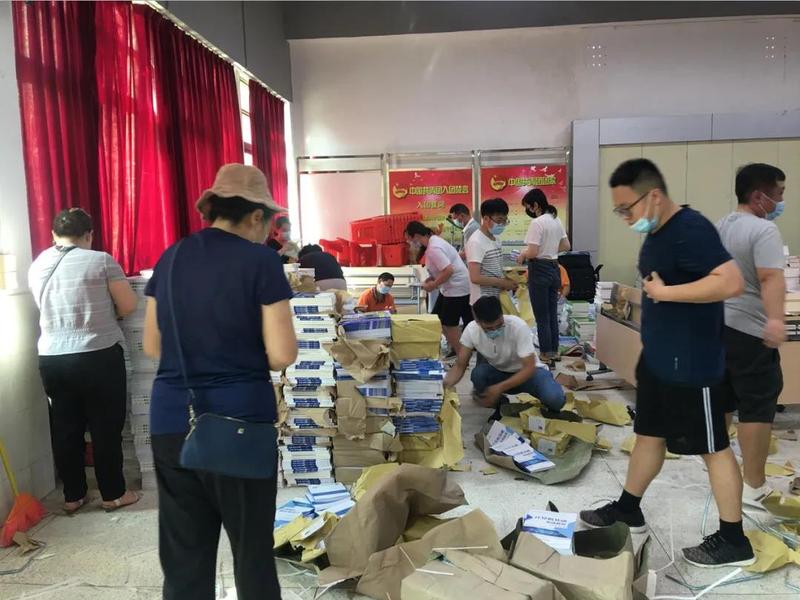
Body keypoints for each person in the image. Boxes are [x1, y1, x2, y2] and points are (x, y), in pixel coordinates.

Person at [580, 159, 753, 568]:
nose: (625, 218)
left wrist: (667, 294)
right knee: (648, 436)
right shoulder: (657, 232)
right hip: (660, 361)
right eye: (619, 211)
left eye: (627, 208)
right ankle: (628, 508)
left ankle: (734, 539)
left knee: (713, 448)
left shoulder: (691, 229)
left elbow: (730, 281)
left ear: (654, 196)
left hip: (693, 366)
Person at [142, 164, 298, 599]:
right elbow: (282, 354)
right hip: (239, 425)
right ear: (255, 216)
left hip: (172, 420)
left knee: (184, 558)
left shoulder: (170, 257)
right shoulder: (261, 261)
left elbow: (152, 344)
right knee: (251, 555)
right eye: (268, 222)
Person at [28, 208, 140, 513]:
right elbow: (128, 304)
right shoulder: (100, 260)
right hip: (97, 354)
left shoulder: (38, 265)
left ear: (54, 234)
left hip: (52, 357)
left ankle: (73, 496)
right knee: (105, 427)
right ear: (89, 234)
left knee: (66, 427)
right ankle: (113, 494)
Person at [717, 163, 787, 510]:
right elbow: (771, 278)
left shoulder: (721, 225)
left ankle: (723, 475)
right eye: (779, 193)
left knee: (724, 401)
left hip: (717, 326)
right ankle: (754, 486)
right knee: (757, 405)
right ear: (759, 196)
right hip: (749, 330)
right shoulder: (764, 230)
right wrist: (775, 320)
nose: (781, 201)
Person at [443, 296, 566, 420]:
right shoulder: (472, 330)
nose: (495, 330)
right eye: (489, 328)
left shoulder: (517, 326)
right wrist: (443, 386)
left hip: (530, 375)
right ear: (478, 322)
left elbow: (529, 368)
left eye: (499, 325)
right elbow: (460, 365)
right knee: (478, 375)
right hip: (500, 373)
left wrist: (499, 388)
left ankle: (548, 410)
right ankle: (501, 405)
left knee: (555, 399)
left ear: (502, 316)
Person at [516, 189, 570, 363]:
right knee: (552, 313)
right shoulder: (556, 219)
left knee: (542, 316)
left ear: (536, 205)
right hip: (554, 267)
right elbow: (566, 246)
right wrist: (550, 249)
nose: (528, 211)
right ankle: (554, 351)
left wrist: (522, 254)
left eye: (528, 207)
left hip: (539, 269)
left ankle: (545, 353)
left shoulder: (537, 223)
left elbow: (532, 252)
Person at [405, 221, 472, 353]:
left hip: (456, 288)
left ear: (416, 236)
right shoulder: (433, 241)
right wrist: (432, 279)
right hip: (451, 287)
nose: (410, 244)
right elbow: (442, 269)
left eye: (410, 240)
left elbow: (448, 270)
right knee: (437, 318)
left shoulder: (433, 248)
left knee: (449, 324)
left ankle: (462, 354)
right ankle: (456, 349)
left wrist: (433, 285)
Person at [465, 198, 517, 305]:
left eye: (505, 220)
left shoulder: (496, 239)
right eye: (499, 220)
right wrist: (502, 282)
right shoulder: (476, 241)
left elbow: (496, 269)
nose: (502, 224)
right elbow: (475, 277)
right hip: (483, 300)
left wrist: (507, 280)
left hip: (497, 297)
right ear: (486, 218)